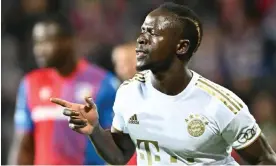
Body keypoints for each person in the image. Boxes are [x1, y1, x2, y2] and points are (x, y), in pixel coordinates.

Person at [51, 3, 276, 165]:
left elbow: (264, 158)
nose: (141, 39)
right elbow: (120, 156)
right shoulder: (129, 93)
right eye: (142, 32)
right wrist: (95, 130)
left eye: (153, 33)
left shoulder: (219, 104)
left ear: (181, 47)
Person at [9, 13, 119, 165]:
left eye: (47, 42)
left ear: (69, 41)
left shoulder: (103, 82)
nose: (39, 50)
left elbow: (116, 145)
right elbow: (24, 145)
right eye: (36, 43)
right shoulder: (30, 83)